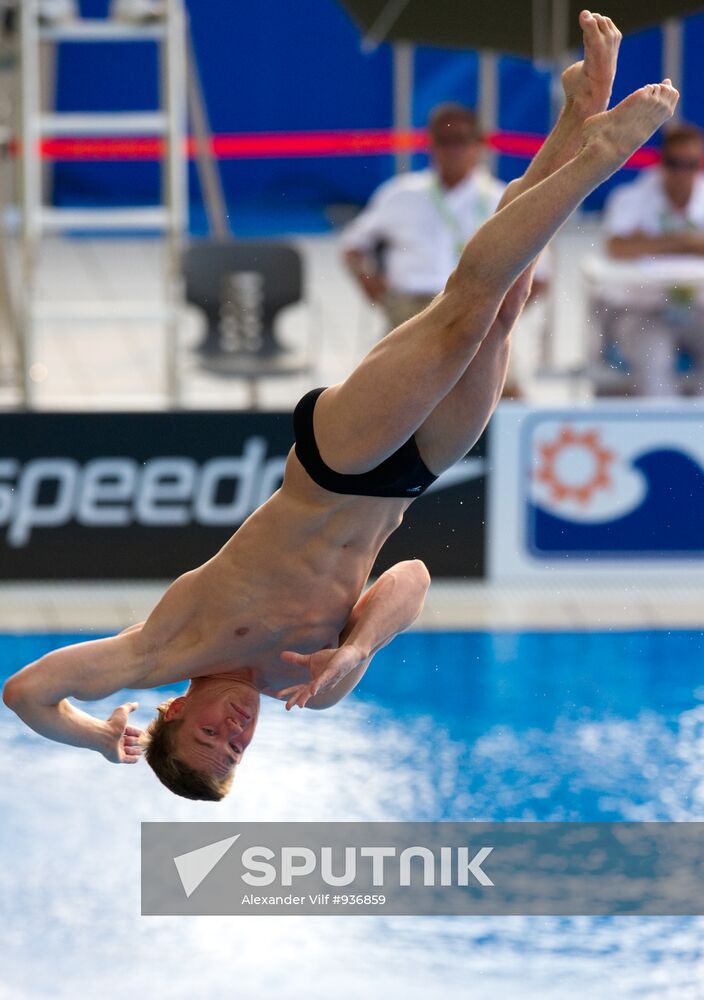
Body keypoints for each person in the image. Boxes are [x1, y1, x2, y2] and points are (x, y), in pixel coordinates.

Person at [2, 11, 678, 801]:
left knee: (465, 306)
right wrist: (353, 653)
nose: (234, 734)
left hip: (338, 461)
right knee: (502, 307)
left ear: (173, 712)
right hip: (409, 480)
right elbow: (414, 578)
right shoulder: (315, 686)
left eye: (209, 737)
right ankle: (577, 110)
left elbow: (24, 692)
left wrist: (94, 738)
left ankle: (598, 157)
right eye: (235, 753)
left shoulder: (164, 651)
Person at [601, 123, 704, 395]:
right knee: (654, 362)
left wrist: (651, 242)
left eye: (690, 164)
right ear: (661, 162)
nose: (682, 172)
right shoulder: (631, 198)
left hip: (698, 310)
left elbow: (630, 245)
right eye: (674, 163)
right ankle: (665, 435)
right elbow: (616, 248)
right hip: (645, 310)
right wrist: (687, 243)